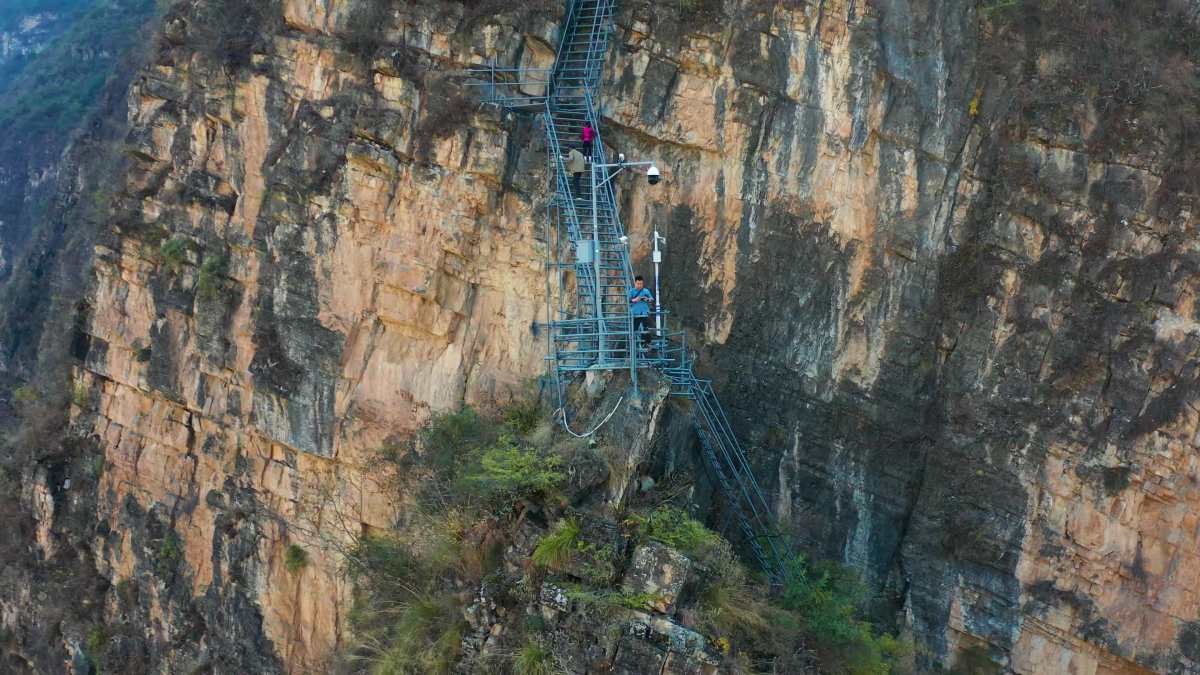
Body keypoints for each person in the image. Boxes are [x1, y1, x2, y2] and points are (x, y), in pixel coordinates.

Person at [628, 275, 653, 349]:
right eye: (638, 283)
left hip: (644, 312)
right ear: (635, 283)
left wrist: (647, 299)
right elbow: (628, 300)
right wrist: (635, 300)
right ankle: (634, 344)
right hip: (635, 313)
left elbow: (651, 299)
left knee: (646, 328)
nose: (639, 285)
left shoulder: (646, 291)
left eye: (641, 284)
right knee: (634, 329)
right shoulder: (631, 291)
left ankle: (646, 343)